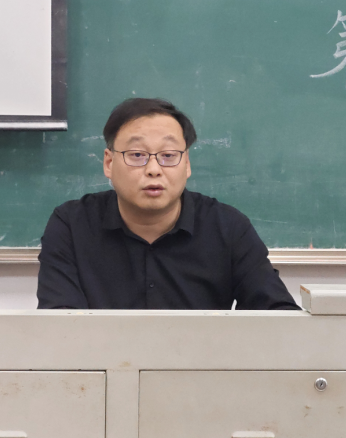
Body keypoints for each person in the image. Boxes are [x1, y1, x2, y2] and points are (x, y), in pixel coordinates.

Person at [37, 98, 300, 310]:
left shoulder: (227, 227)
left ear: (187, 164)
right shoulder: (71, 226)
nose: (153, 169)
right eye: (137, 154)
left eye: (168, 155)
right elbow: (59, 324)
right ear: (109, 162)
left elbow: (277, 313)